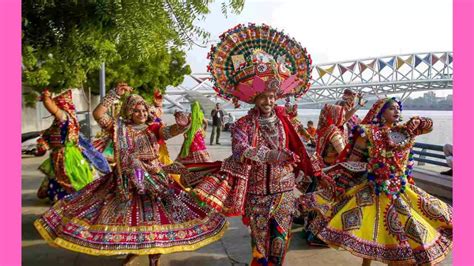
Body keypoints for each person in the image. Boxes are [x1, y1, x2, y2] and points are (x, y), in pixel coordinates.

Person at [34, 83, 228, 266]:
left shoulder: (154, 129)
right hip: (125, 182)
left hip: (154, 181)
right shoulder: (119, 128)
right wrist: (114, 95)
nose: (141, 113)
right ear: (128, 112)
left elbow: (171, 131)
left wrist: (183, 124)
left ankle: (154, 257)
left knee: (158, 221)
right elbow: (98, 113)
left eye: (144, 110)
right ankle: (133, 251)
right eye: (136, 110)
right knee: (130, 221)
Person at [188, 23, 322, 265]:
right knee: (259, 244)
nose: (269, 101)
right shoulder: (243, 124)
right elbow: (240, 150)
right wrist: (272, 156)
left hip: (284, 190)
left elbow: (304, 144)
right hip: (257, 191)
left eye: (272, 97)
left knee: (280, 240)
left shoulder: (286, 121)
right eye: (264, 97)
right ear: (255, 98)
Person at [299, 97, 452, 265]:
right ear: (381, 112)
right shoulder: (368, 133)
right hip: (374, 192)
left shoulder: (406, 132)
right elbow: (354, 162)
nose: (397, 111)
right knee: (372, 234)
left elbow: (428, 126)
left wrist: (418, 120)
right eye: (392, 108)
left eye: (398, 109)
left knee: (400, 238)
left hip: (401, 191)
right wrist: (340, 185)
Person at [36, 89, 94, 202]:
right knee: (61, 180)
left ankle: (67, 203)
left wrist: (46, 97)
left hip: (65, 156)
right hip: (65, 153)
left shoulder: (63, 115)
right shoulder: (64, 120)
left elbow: (49, 105)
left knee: (67, 180)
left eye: (56, 104)